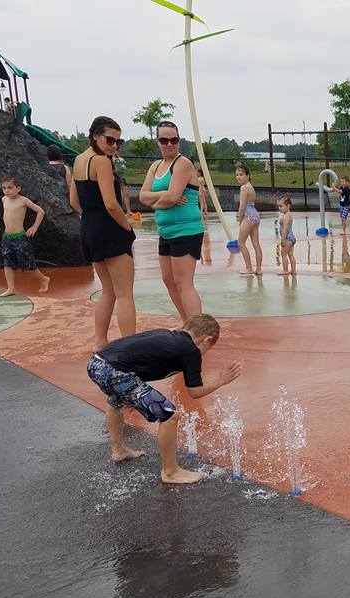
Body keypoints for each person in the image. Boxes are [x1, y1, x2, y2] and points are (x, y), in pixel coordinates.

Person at [86, 313, 242, 485]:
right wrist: (220, 380)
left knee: (115, 403)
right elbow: (195, 392)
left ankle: (119, 450)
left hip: (97, 364)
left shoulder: (167, 335)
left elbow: (140, 357)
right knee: (169, 415)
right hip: (116, 372)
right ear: (207, 340)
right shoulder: (190, 350)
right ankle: (171, 471)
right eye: (209, 348)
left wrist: (130, 394)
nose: (205, 353)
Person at [69, 116, 136, 349]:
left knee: (108, 290)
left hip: (89, 227)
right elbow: (111, 203)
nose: (114, 146)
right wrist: (127, 227)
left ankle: (100, 340)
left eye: (118, 142)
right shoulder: (102, 162)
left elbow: (74, 201)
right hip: (110, 229)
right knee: (125, 292)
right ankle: (130, 346)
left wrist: (92, 217)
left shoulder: (78, 161)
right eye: (110, 140)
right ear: (96, 135)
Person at [138, 121, 204, 320]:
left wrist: (158, 199)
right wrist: (166, 195)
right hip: (165, 231)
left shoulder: (182, 163)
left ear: (179, 141)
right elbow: (142, 196)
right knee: (168, 280)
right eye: (164, 140)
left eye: (174, 140)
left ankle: (197, 331)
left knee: (183, 282)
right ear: (157, 141)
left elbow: (172, 199)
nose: (169, 144)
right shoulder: (155, 166)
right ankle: (187, 324)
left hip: (186, 230)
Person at [0, 178, 50, 297]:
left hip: (20, 237)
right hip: (6, 237)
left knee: (28, 263)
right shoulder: (4, 199)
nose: (7, 191)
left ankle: (43, 279)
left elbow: (40, 211)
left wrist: (34, 226)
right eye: (4, 188)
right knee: (7, 262)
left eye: (10, 188)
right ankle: (10, 288)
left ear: (18, 188)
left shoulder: (23, 201)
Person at [234, 163, 262, 275]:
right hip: (255, 215)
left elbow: (242, 206)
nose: (238, 177)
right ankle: (258, 269)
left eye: (241, 174)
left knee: (241, 243)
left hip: (248, 216)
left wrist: (240, 219)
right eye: (237, 175)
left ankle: (249, 268)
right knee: (256, 244)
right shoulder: (250, 186)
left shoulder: (244, 188)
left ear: (247, 175)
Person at [277, 195, 297, 276]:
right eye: (278, 206)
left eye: (281, 206)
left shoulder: (286, 216)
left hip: (287, 238)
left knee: (284, 254)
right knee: (291, 254)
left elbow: (285, 229)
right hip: (292, 237)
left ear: (288, 206)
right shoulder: (289, 214)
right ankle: (293, 270)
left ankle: (285, 270)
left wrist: (282, 240)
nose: (279, 208)